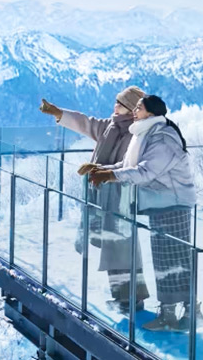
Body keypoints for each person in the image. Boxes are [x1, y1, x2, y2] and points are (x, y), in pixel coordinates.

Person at [87, 94, 198, 333]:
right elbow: (128, 166)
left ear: (151, 112)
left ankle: (190, 314)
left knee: (175, 260)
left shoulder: (163, 139)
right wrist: (101, 169)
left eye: (139, 107)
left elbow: (146, 172)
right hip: (160, 204)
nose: (135, 110)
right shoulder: (144, 134)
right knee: (164, 261)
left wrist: (109, 176)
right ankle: (169, 314)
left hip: (174, 203)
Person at [39, 87, 148, 310]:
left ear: (129, 108)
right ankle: (121, 298)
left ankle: (131, 300)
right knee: (111, 247)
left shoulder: (135, 134)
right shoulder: (111, 126)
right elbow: (85, 122)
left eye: (119, 103)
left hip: (121, 199)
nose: (114, 106)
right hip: (103, 196)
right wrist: (59, 113)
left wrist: (100, 170)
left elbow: (129, 167)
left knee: (122, 249)